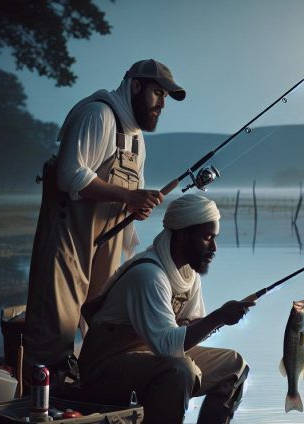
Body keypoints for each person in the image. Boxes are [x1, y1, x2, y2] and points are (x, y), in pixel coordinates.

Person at [24, 59, 185, 378]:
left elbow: (130, 194)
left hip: (108, 245)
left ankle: (89, 388)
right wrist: (128, 197)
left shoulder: (137, 138)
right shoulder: (98, 115)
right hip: (68, 239)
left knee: (105, 326)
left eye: (166, 97)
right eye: (157, 93)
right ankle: (37, 399)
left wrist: (137, 206)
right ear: (135, 86)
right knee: (54, 330)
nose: (162, 104)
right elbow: (69, 175)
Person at [75, 194, 254, 424]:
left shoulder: (189, 274)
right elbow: (169, 346)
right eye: (207, 238)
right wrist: (219, 316)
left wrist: (218, 319)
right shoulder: (149, 275)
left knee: (234, 365)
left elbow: (188, 329)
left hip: (151, 358)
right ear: (181, 235)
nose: (213, 248)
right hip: (105, 370)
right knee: (181, 371)